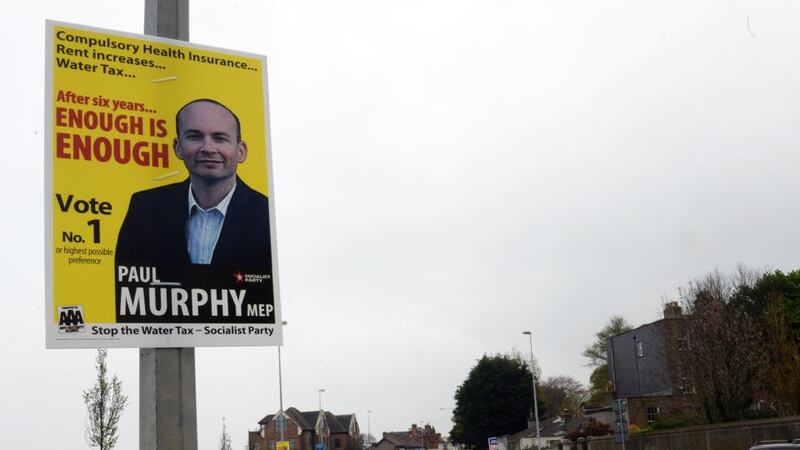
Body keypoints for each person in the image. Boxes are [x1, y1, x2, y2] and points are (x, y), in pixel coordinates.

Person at [116, 98, 271, 270]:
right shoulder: (145, 208)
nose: (208, 148)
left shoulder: (267, 215)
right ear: (178, 147)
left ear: (241, 151)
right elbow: (125, 284)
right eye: (195, 137)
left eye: (220, 138)